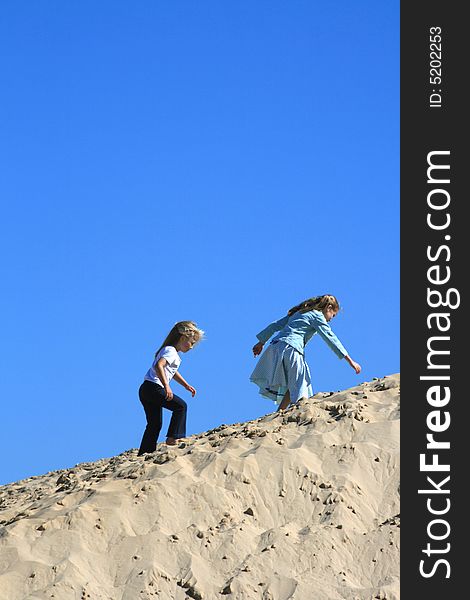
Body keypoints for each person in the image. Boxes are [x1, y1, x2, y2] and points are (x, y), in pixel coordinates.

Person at [250, 294, 361, 411]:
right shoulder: (317, 316)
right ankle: (296, 411)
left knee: (296, 381)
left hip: (276, 347)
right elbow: (331, 338)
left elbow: (275, 325)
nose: (330, 320)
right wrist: (350, 361)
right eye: (332, 316)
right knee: (302, 383)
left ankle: (281, 411)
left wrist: (261, 342)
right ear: (328, 308)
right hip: (291, 348)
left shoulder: (300, 312)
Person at [137, 321, 204, 455]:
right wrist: (166, 386)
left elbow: (171, 371)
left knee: (154, 424)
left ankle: (145, 452)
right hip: (154, 387)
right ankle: (173, 437)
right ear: (183, 338)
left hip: (145, 389)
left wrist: (186, 385)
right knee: (181, 406)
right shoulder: (171, 351)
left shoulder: (169, 351)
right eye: (191, 343)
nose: (191, 347)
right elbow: (159, 366)